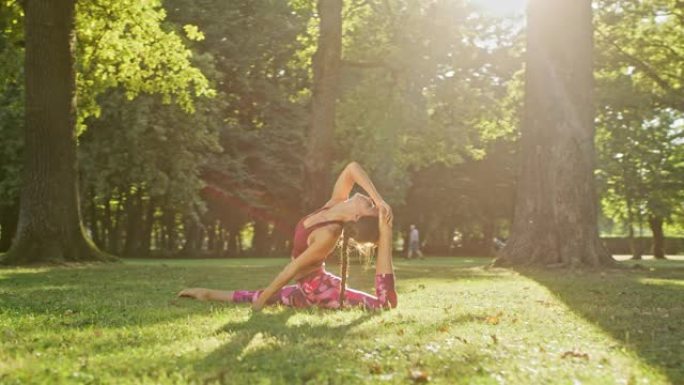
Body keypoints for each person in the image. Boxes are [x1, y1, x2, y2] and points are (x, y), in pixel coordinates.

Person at [177, 162, 397, 311]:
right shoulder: (335, 203)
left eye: (368, 205)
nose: (368, 199)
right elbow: (352, 168)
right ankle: (206, 293)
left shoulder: (329, 234)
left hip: (319, 291)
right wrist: (378, 201)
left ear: (357, 217)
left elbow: (291, 270)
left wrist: (384, 232)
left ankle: (385, 237)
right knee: (254, 295)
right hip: (308, 287)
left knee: (385, 304)